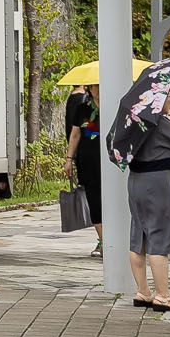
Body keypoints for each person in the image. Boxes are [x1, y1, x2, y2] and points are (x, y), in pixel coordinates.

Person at [115, 73, 170, 311]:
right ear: (157, 100)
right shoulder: (159, 123)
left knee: (139, 235)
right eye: (168, 95)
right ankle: (163, 296)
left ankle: (143, 291)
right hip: (158, 185)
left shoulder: (136, 122)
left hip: (137, 182)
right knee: (160, 235)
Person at [64, 81, 102, 255]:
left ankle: (117, 239)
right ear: (89, 88)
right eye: (95, 86)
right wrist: (69, 159)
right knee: (94, 202)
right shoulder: (82, 109)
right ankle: (104, 241)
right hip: (88, 161)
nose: (99, 89)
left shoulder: (116, 107)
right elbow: (75, 134)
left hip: (111, 162)